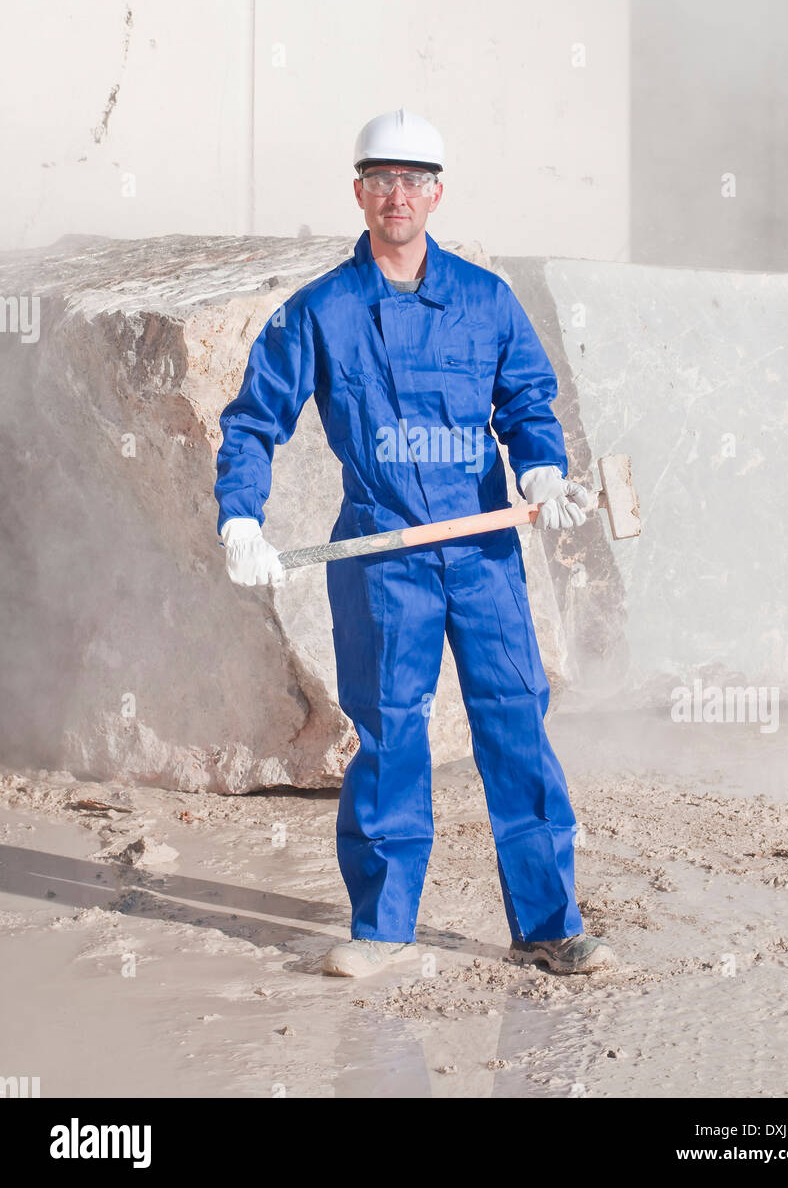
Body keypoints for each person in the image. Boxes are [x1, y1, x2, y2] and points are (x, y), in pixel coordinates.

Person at [214, 108, 617, 979]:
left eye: (413, 181)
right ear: (358, 192)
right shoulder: (318, 311)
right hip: (379, 558)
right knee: (390, 735)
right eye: (380, 180)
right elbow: (252, 423)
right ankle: (383, 929)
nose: (396, 196)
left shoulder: (484, 299)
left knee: (515, 725)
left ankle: (548, 925)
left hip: (481, 557)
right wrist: (240, 516)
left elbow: (527, 405)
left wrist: (542, 471)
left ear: (436, 193)